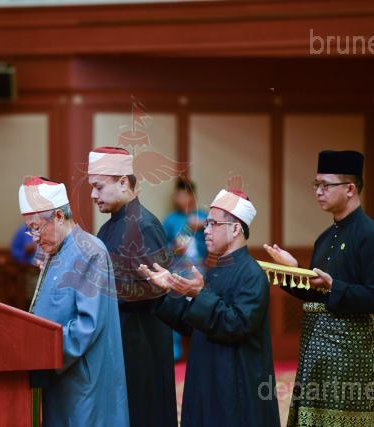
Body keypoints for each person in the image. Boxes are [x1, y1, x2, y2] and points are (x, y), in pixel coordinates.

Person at [263, 150, 374, 426]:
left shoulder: (371, 236)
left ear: (350, 189)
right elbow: (317, 292)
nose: (318, 192)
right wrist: (292, 270)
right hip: (315, 348)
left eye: (325, 185)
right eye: (316, 185)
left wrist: (336, 286)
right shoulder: (325, 238)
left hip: (350, 352)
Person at [139, 187, 281, 427]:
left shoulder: (252, 274)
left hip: (234, 384)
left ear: (235, 229)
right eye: (206, 224)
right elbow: (192, 324)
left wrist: (199, 294)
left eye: (213, 224)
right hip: (206, 378)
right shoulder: (215, 270)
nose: (205, 230)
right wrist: (165, 290)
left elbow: (237, 324)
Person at [19, 176, 129, 427]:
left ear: (59, 216)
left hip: (81, 379)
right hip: (58, 372)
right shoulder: (55, 249)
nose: (34, 237)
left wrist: (41, 350)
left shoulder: (90, 251)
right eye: (29, 229)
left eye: (37, 227)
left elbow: (87, 326)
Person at [87, 146, 178, 427]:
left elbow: (154, 290)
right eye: (92, 188)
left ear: (124, 182)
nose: (93, 195)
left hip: (142, 346)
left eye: (99, 187)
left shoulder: (145, 226)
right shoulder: (109, 227)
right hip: (120, 341)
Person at [162, 178, 208, 360]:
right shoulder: (171, 220)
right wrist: (174, 248)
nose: (179, 199)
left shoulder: (203, 217)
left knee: (202, 309)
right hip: (177, 270)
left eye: (183, 195)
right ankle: (174, 353)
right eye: (177, 195)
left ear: (191, 196)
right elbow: (162, 249)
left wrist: (203, 224)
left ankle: (203, 351)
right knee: (175, 309)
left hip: (200, 270)